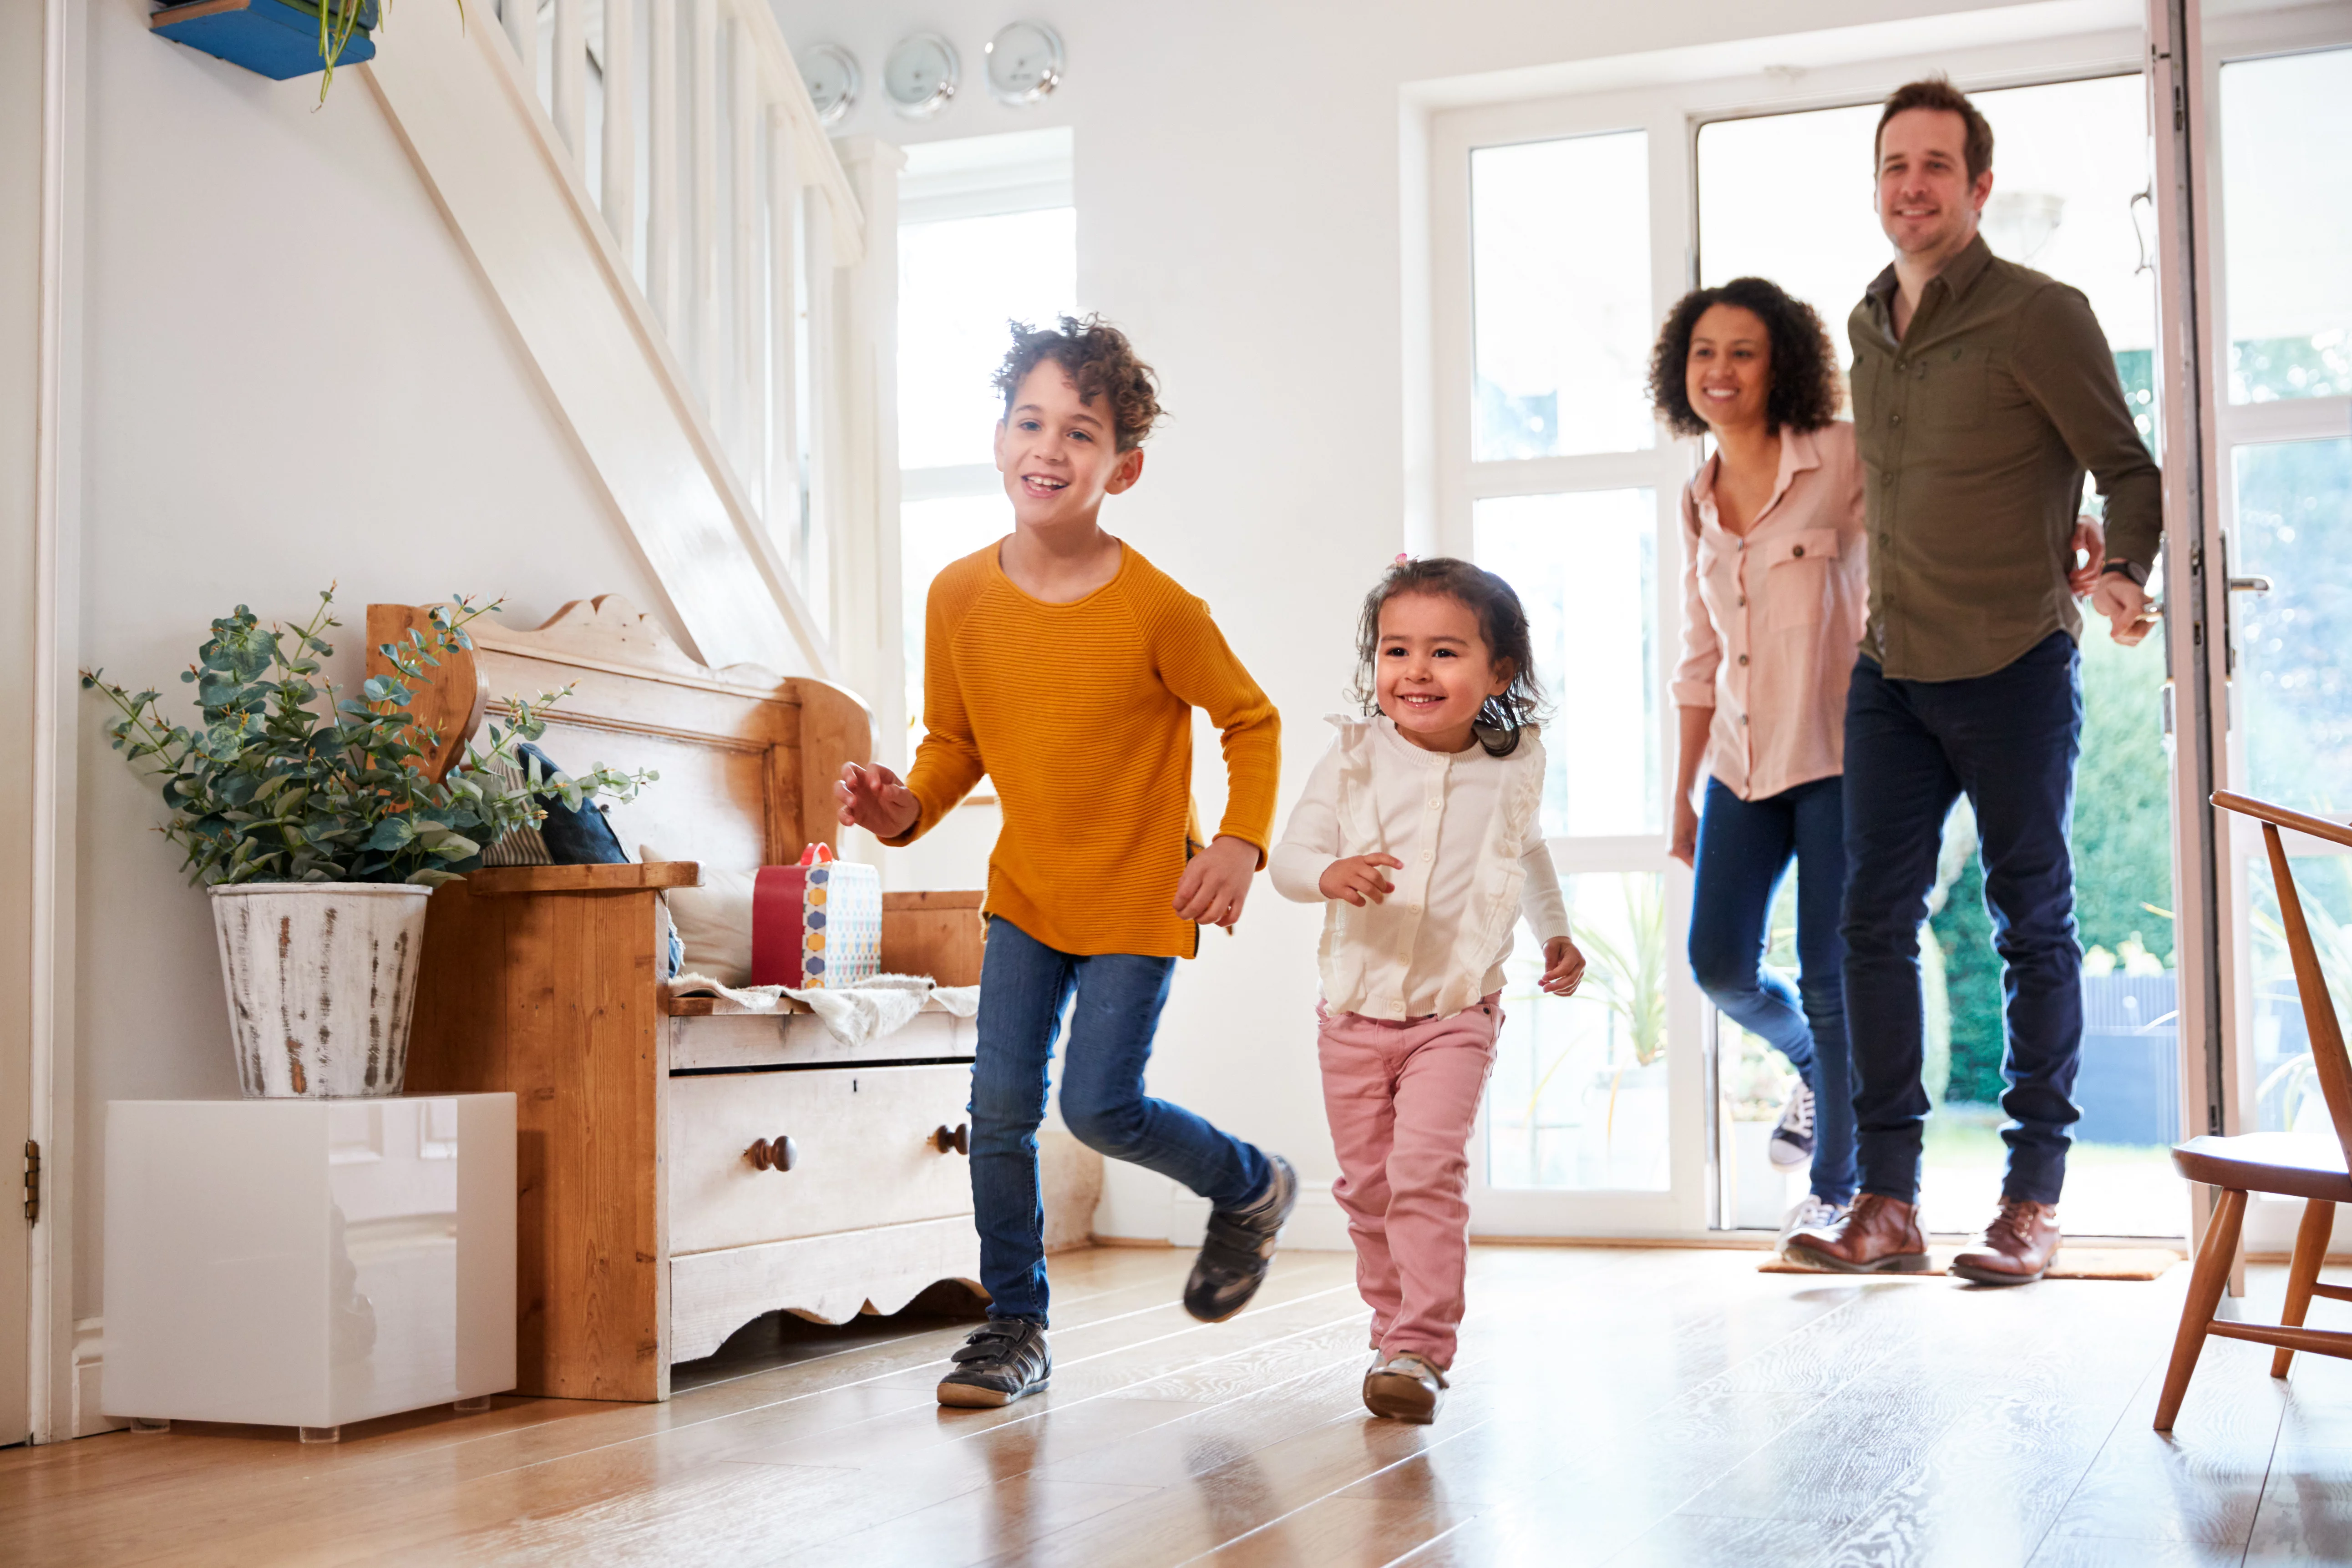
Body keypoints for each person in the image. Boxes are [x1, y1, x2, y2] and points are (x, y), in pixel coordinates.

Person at [837, 315, 1297, 1407]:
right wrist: (903, 808)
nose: (1050, 447)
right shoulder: (956, 595)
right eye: (1030, 421)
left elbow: (1252, 720)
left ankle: (1251, 1186)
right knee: (997, 1110)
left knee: (1100, 1108)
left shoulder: (1159, 607)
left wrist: (1236, 844)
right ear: (999, 438)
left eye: (1079, 432)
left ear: (1121, 468)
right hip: (1028, 896)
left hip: (1140, 892)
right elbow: (953, 745)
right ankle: (1013, 1323)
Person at [1785, 78, 2159, 1285]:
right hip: (1891, 670)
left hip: (2012, 663)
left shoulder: (2042, 315)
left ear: (1979, 186)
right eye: (1896, 165)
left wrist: (2121, 570)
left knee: (2030, 924)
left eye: (1937, 165)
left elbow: (2126, 469)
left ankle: (2033, 1201)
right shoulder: (1864, 323)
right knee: (1866, 924)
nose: (1913, 185)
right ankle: (1886, 1198)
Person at [1269, 556, 1587, 1424]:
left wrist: (1554, 929)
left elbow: (1524, 851)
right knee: (1369, 1186)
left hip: (1456, 1010)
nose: (1416, 671)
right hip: (1354, 1014)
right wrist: (1329, 874)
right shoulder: (1352, 759)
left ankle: (1422, 1345)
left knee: (1424, 1170)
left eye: (1445, 652)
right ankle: (1390, 1331)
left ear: (1499, 674)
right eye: (1397, 650)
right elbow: (1289, 864)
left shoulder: (1514, 763)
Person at [1650, 277, 1867, 1252]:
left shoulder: (1844, 457)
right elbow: (1697, 656)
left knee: (1832, 973)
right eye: (1704, 352)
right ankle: (1816, 1070)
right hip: (1738, 767)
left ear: (1781, 362)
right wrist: (1685, 791)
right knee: (1718, 963)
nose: (1720, 370)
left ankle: (1836, 1191)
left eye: (1742, 351)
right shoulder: (1696, 498)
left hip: (1835, 756)